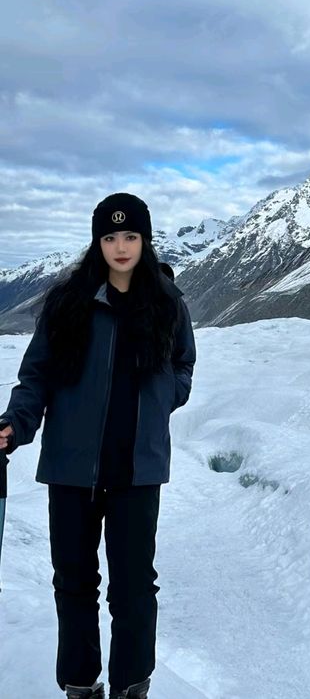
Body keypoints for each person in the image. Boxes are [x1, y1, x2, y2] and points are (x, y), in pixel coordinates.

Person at [0, 193, 197, 699]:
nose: (120, 246)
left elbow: (182, 365)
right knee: (74, 584)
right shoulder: (69, 303)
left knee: (133, 590)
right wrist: (15, 424)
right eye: (110, 237)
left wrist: (162, 400)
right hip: (71, 470)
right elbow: (36, 375)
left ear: (145, 240)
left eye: (130, 236)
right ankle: (80, 686)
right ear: (97, 242)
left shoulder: (167, 303)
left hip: (137, 470)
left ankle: (132, 687)